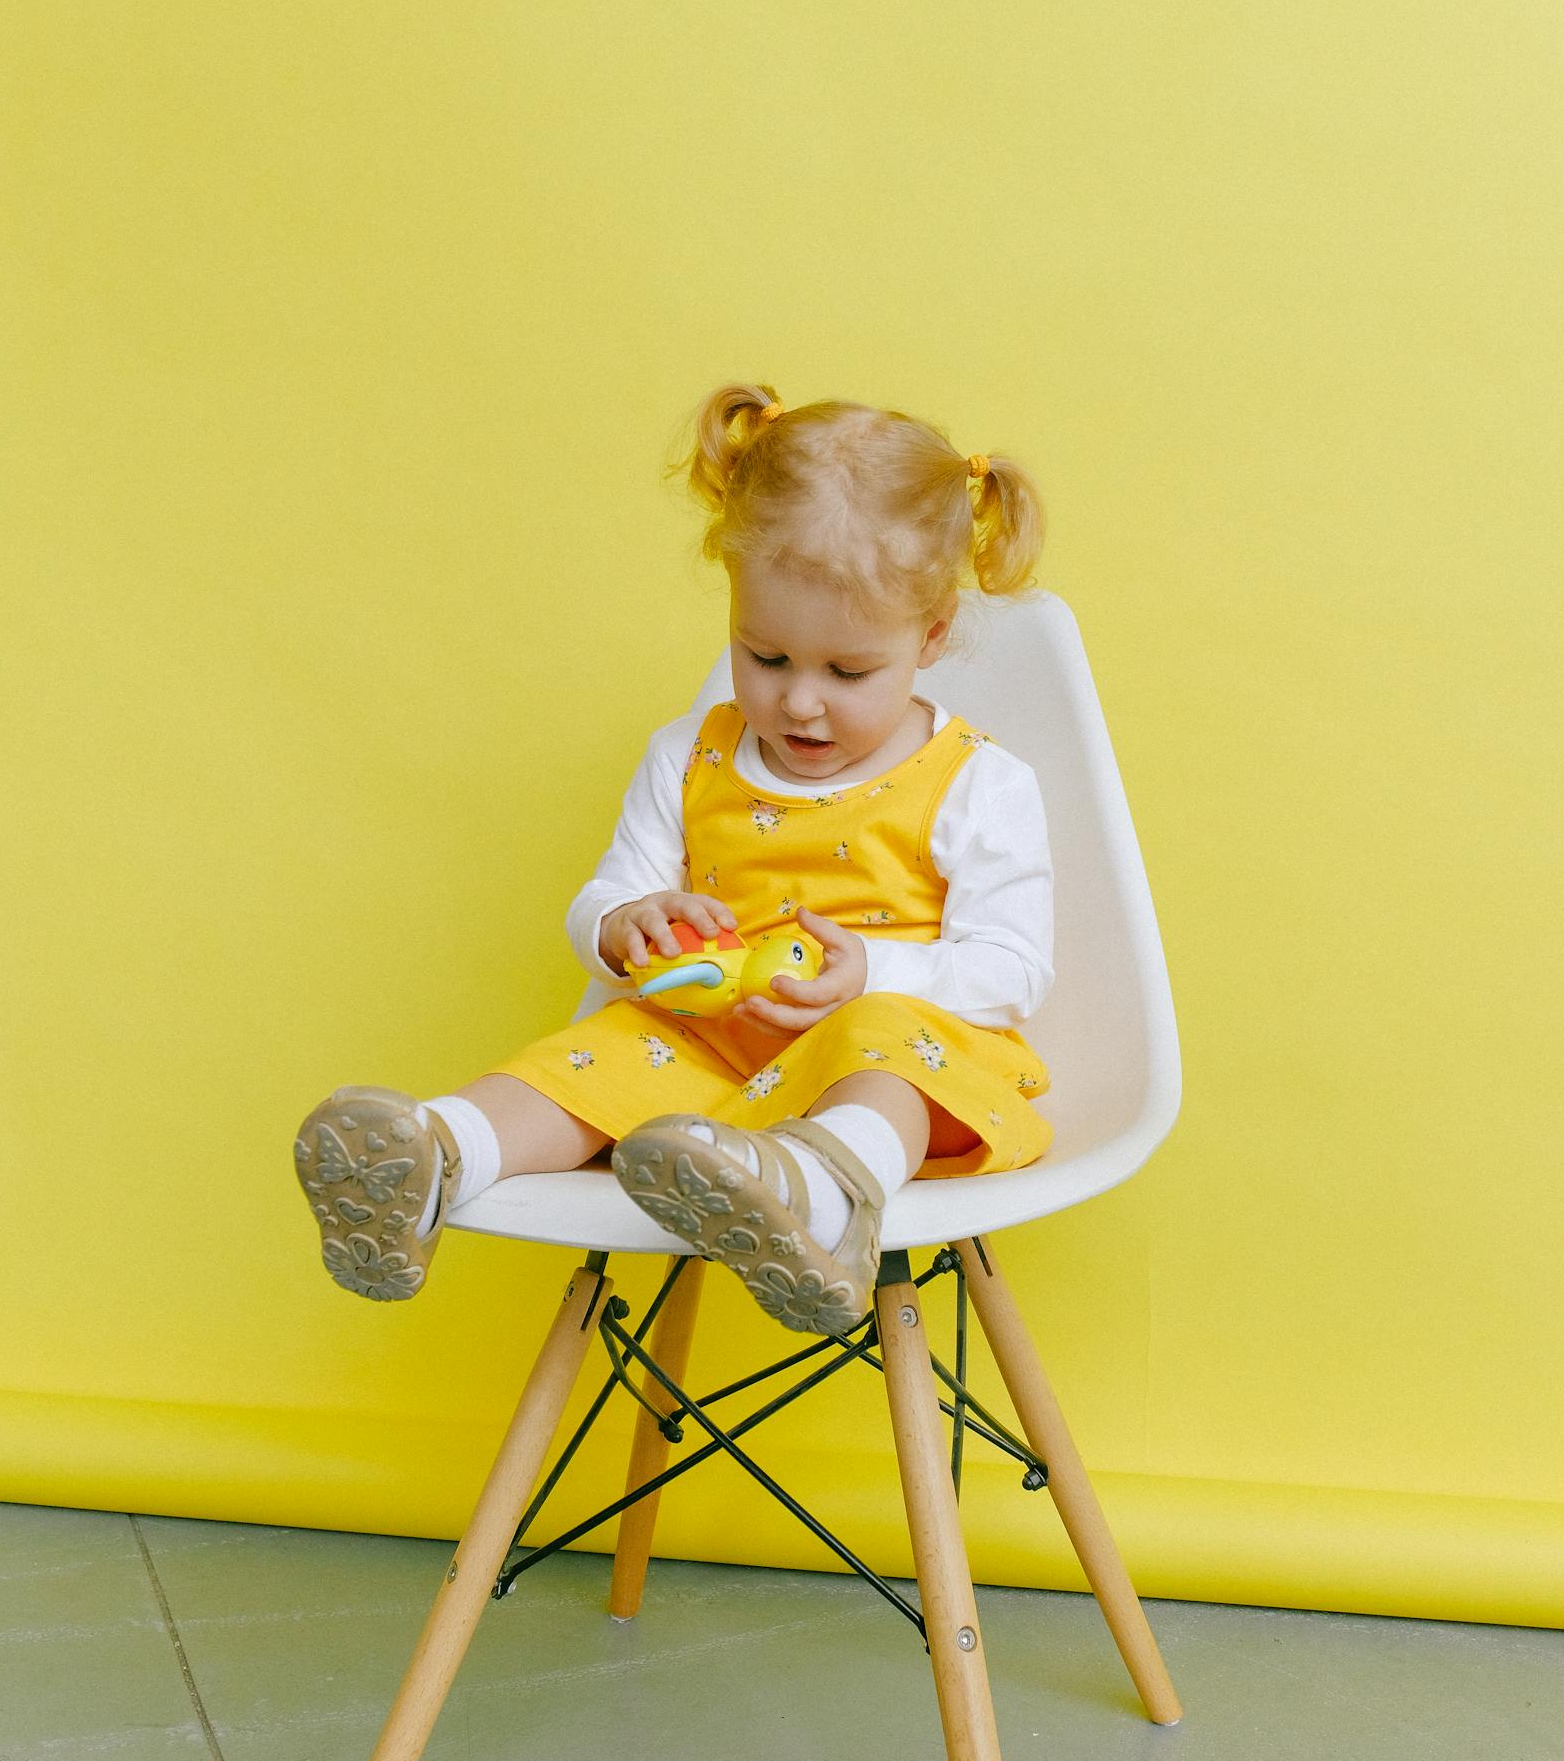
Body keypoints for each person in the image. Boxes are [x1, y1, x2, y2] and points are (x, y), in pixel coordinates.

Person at [293, 383, 1056, 1336]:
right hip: (707, 1051)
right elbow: (609, 894)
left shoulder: (977, 782)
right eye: (764, 657)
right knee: (595, 1056)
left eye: (847, 672)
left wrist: (873, 972)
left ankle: (819, 1201)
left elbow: (1013, 971)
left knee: (884, 1050)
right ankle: (433, 1156)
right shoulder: (689, 755)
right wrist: (628, 924)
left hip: (885, 1062)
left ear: (931, 635)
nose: (799, 703)